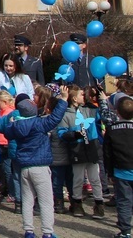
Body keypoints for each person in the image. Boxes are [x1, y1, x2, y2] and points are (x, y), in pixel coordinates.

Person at [0, 85, 68, 238]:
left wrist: (11, 120)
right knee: (46, 201)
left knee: (27, 201)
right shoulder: (39, 124)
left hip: (24, 168)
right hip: (40, 167)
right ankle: (48, 232)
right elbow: (56, 117)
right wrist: (63, 100)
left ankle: (29, 230)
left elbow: (6, 131)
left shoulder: (16, 126)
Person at [57, 86, 105, 217]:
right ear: (74, 98)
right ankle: (77, 204)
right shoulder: (66, 114)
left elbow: (102, 114)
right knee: (77, 178)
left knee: (95, 178)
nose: (84, 97)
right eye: (81, 95)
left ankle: (99, 204)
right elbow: (61, 133)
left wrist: (101, 98)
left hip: (92, 147)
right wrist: (73, 135)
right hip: (77, 149)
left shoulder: (89, 110)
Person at [103, 95, 133, 238]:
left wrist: (109, 172)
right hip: (122, 171)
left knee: (124, 201)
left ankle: (126, 231)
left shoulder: (112, 129)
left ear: (117, 112)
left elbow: (107, 153)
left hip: (121, 172)